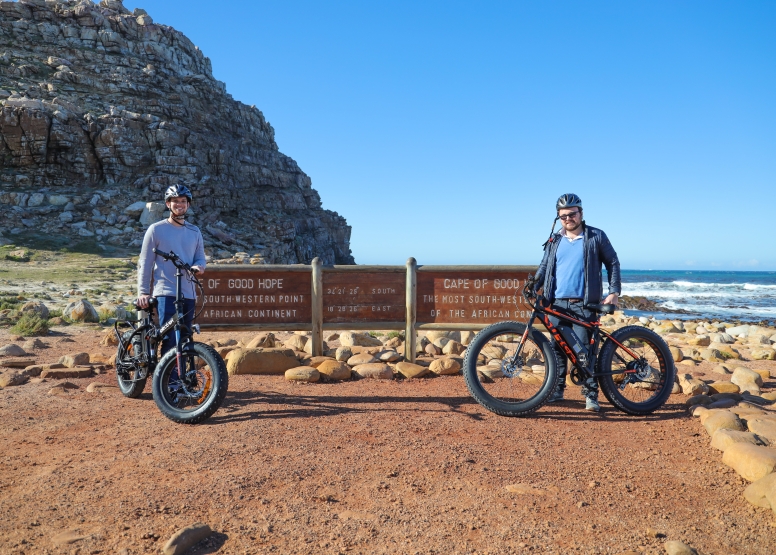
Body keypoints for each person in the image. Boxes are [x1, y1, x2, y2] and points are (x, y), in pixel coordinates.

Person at [534, 193, 621, 412]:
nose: (568, 219)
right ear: (558, 217)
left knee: (584, 352)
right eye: (563, 216)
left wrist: (614, 292)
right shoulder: (555, 239)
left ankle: (591, 395)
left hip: (584, 305)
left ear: (581, 213)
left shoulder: (596, 236)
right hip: (556, 304)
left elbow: (612, 262)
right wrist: (534, 284)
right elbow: (545, 266)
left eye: (572, 214)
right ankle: (557, 390)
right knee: (558, 349)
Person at [137, 184, 206, 357]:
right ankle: (169, 383)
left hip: (189, 293)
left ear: (188, 204)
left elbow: (200, 257)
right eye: (175, 201)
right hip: (166, 292)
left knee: (185, 336)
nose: (180, 204)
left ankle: (182, 381)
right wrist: (143, 292)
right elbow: (145, 262)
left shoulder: (194, 231)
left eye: (183, 201)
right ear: (168, 204)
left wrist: (199, 266)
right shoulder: (156, 229)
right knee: (170, 340)